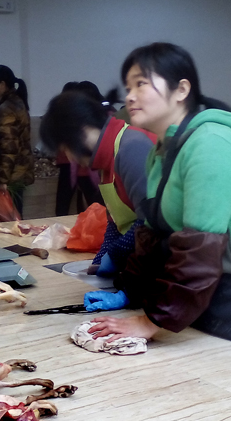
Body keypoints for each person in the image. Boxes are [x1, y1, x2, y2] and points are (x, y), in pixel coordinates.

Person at [88, 43, 231, 357]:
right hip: (196, 297)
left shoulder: (210, 143)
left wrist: (151, 322)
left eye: (141, 84)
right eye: (128, 87)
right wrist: (129, 290)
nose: (130, 96)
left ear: (181, 89)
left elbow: (199, 250)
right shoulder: (163, 150)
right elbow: (153, 233)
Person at [40, 91, 156, 280]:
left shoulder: (130, 148)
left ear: (80, 131)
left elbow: (150, 221)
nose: (69, 157)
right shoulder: (105, 160)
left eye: (65, 149)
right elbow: (116, 221)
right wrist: (101, 258)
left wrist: (115, 254)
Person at [0, 65, 34, 217]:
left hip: (11, 176)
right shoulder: (17, 103)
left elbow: (9, 147)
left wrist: (3, 180)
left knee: (9, 220)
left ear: (1, 85)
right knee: (15, 217)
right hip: (18, 172)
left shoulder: (6, 109)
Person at [54, 81, 107, 216]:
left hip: (89, 173)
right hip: (87, 173)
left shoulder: (84, 120)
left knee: (95, 210)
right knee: (92, 210)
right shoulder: (104, 115)